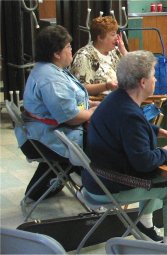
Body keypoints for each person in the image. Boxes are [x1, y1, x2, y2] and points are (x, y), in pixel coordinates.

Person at [85, 51, 167, 244]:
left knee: (160, 173)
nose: (156, 78)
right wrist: (166, 151)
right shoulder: (129, 113)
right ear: (143, 82)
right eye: (153, 75)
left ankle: (144, 224)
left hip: (97, 178)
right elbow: (143, 162)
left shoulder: (116, 99)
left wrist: (165, 133)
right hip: (111, 185)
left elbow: (137, 129)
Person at [16, 25, 96, 201]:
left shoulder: (54, 70)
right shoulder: (50, 78)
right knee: (104, 140)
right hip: (44, 138)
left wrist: (93, 104)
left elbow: (72, 100)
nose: (71, 50)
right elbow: (71, 117)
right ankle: (94, 188)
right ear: (56, 53)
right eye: (68, 47)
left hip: (44, 132)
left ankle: (77, 175)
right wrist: (94, 113)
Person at [70, 16, 127, 96]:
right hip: (100, 102)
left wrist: (123, 50)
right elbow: (81, 88)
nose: (117, 38)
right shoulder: (84, 56)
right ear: (100, 37)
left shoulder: (116, 51)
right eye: (113, 35)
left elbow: (136, 71)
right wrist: (106, 86)